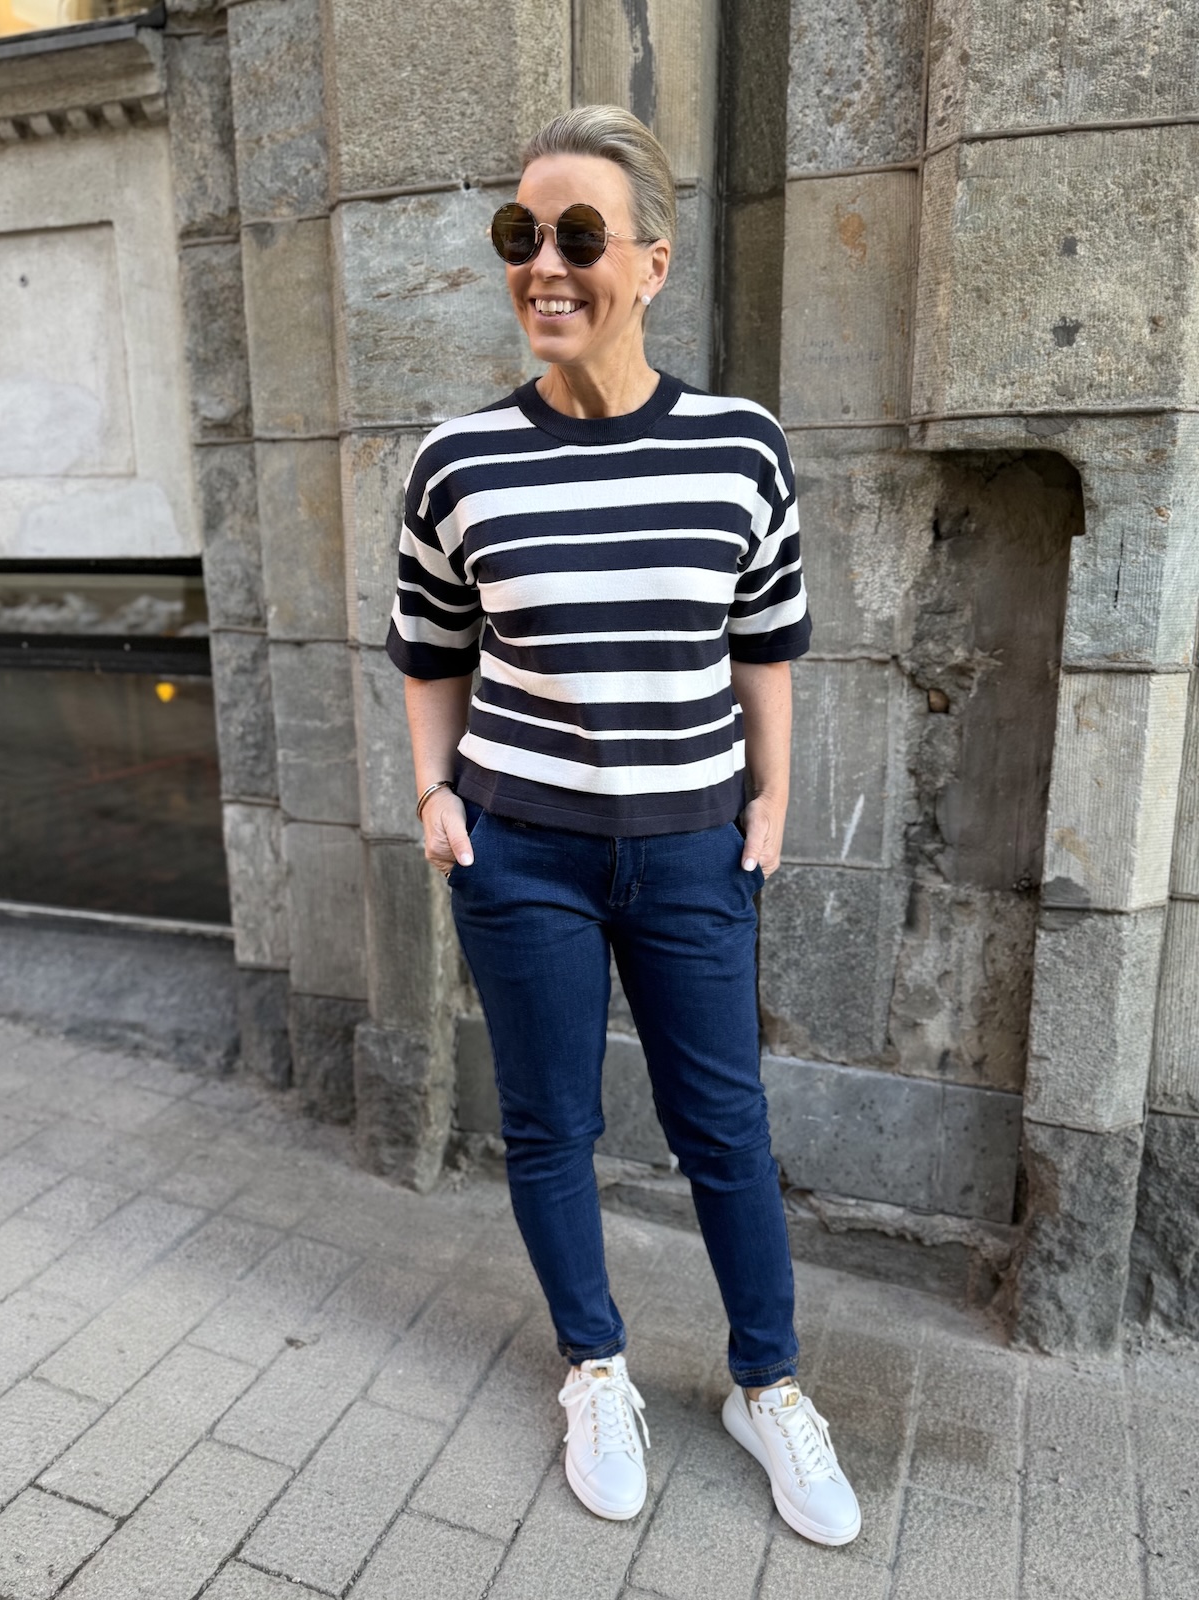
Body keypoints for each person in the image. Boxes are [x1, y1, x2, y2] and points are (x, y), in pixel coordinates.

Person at [386, 104, 860, 1547]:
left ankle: (767, 1386)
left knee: (725, 1127)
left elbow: (765, 641)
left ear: (652, 263)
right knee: (548, 1124)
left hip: (692, 848)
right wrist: (436, 796)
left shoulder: (740, 448)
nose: (546, 263)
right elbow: (428, 649)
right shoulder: (458, 461)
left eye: (580, 235)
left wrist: (771, 798)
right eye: (521, 233)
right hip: (519, 851)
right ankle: (593, 1370)